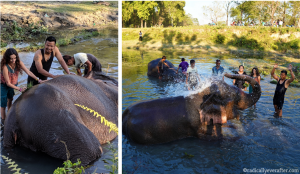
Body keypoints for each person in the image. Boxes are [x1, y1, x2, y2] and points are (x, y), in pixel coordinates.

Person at [1, 48, 44, 123]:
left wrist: (38, 80)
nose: (13, 60)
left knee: (10, 99)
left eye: (15, 58)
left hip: (13, 84)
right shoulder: (5, 67)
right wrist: (20, 89)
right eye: (11, 59)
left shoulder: (19, 62)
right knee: (3, 103)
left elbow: (29, 72)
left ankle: (9, 114)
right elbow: (8, 83)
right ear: (7, 58)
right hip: (4, 85)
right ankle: (3, 121)